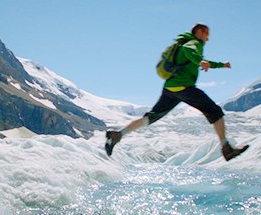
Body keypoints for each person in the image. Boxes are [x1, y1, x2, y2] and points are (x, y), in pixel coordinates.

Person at [105, 23, 249, 161]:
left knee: (150, 118)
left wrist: (222, 65)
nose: (208, 38)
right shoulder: (194, 43)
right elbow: (190, 51)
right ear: (199, 32)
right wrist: (200, 62)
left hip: (170, 89)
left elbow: (198, 58)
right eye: (206, 33)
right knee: (215, 111)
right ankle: (226, 148)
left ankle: (117, 135)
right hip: (184, 87)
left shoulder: (185, 44)